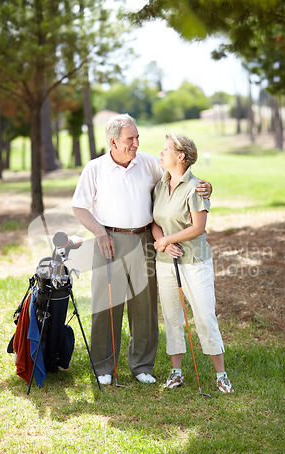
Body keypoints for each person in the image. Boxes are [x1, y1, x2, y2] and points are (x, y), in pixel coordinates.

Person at [72, 114, 212, 385]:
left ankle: (142, 365)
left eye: (137, 137)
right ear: (113, 141)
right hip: (108, 240)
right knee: (106, 304)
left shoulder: (148, 163)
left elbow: (180, 179)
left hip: (145, 239)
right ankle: (103, 366)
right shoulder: (95, 168)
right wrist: (99, 232)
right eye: (130, 139)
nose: (136, 143)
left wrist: (206, 187)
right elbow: (79, 206)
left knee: (144, 305)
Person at [152, 133, 233, 393]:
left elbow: (199, 227)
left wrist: (167, 240)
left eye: (166, 149)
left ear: (181, 157)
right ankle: (176, 372)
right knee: (172, 317)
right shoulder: (160, 185)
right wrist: (163, 242)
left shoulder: (196, 187)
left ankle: (221, 375)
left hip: (195, 262)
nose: (161, 153)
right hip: (165, 263)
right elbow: (154, 222)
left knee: (204, 316)